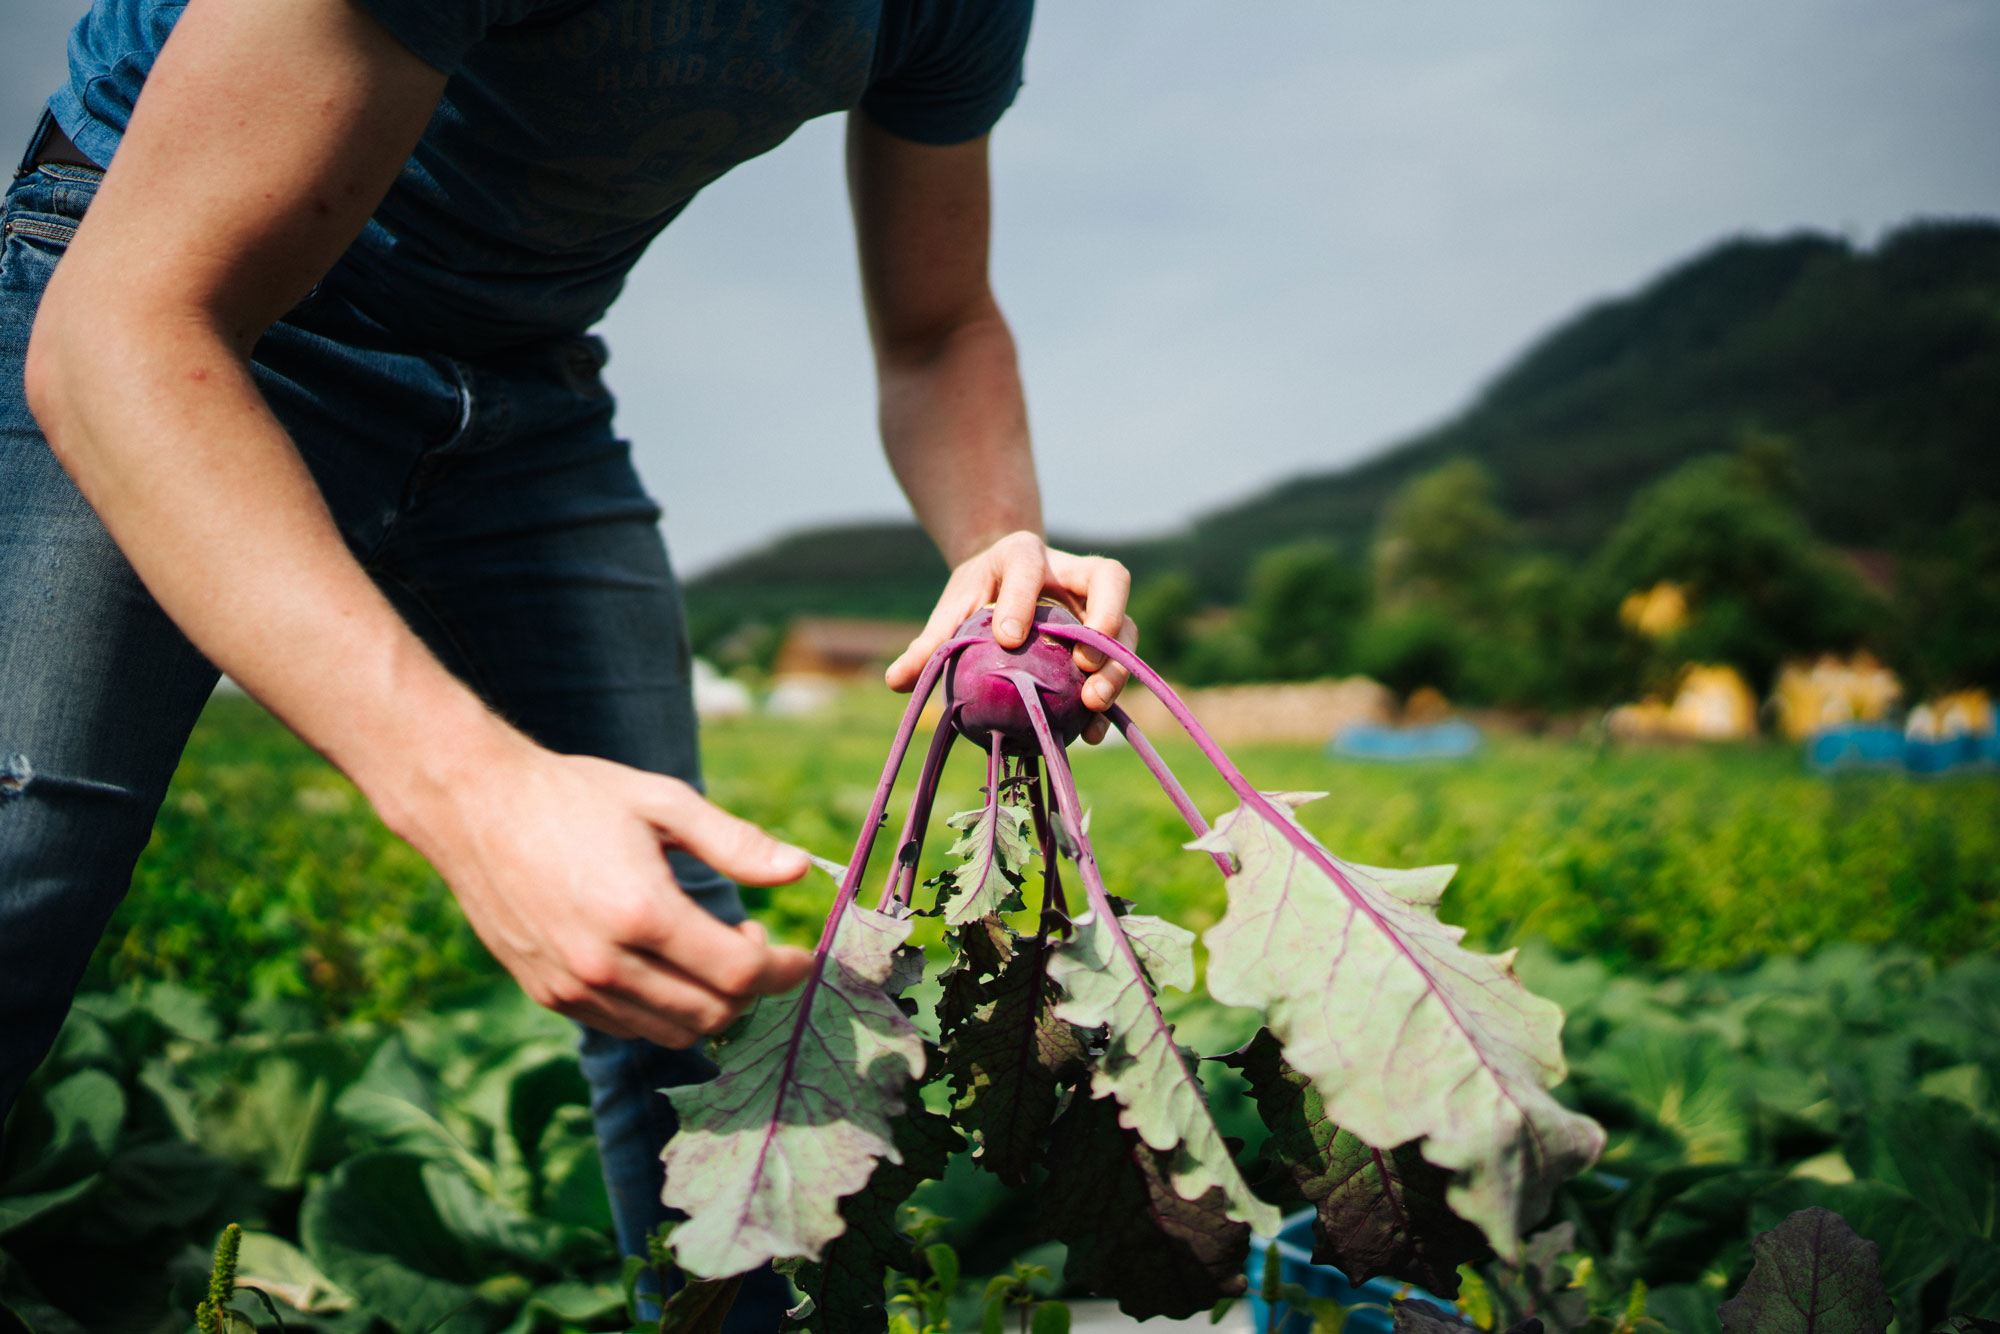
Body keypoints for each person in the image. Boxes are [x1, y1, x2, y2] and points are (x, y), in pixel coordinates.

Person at [0, 0, 1133, 1322]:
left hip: (519, 373)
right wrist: (474, 790)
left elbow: (939, 327)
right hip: (157, 293)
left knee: (679, 950)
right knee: (26, 872)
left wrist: (1002, 544)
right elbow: (114, 336)